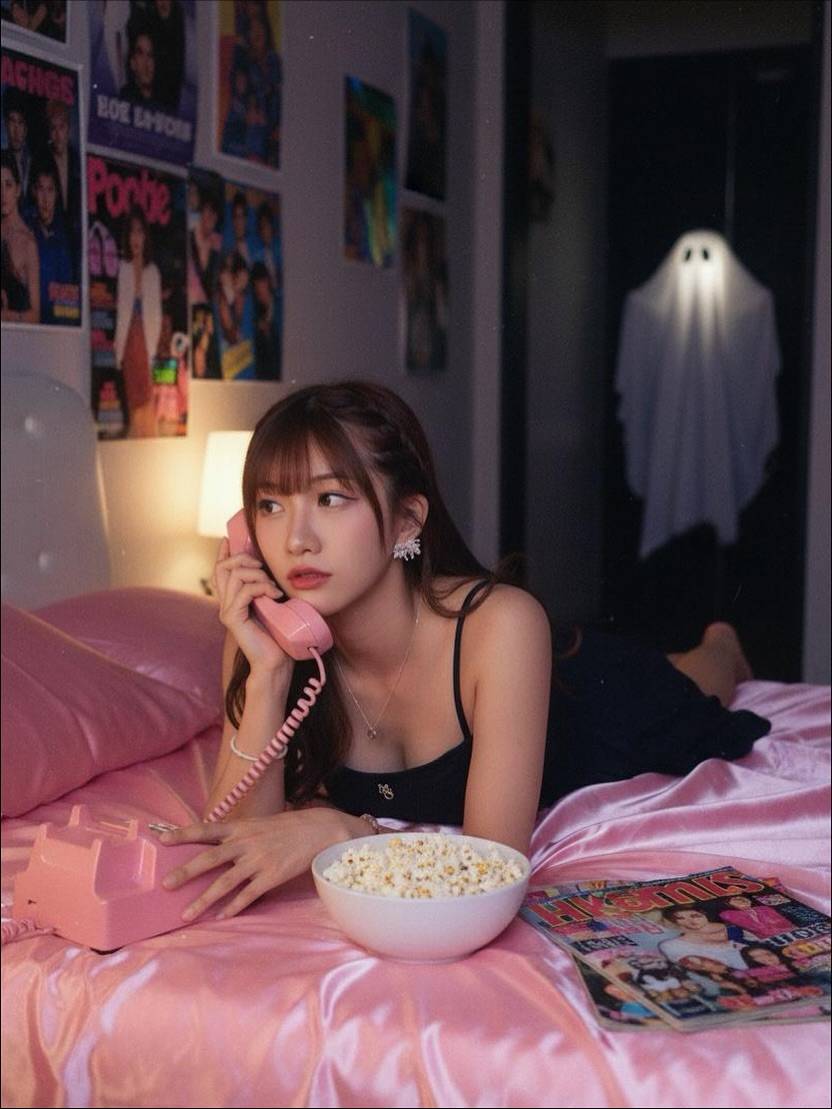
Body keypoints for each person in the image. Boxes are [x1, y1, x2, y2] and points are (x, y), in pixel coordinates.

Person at [157, 381, 771, 924]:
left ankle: (721, 644)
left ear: (406, 522)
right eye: (270, 506)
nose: (296, 539)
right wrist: (267, 674)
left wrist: (346, 831)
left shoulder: (501, 625)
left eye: (331, 498)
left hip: (590, 704)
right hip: (492, 671)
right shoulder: (263, 641)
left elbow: (493, 864)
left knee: (695, 687)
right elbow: (236, 846)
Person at [113, 206, 161, 437]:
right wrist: (118, 351)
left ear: (146, 236)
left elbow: (156, 315)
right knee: (133, 397)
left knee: (147, 397)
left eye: (140, 231)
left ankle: (147, 437)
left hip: (146, 341)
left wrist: (152, 352)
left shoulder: (153, 272)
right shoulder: (123, 269)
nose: (135, 238)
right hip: (129, 340)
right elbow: (122, 311)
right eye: (132, 232)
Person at [27, 159, 74, 325]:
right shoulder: (25, 230)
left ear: (57, 194)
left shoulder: (66, 237)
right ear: (33, 192)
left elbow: (68, 300)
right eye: (41, 189)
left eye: (50, 190)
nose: (45, 199)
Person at [1, 150, 39, 323]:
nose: (2, 193)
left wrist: (8, 316)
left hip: (15, 335)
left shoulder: (27, 243)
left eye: (8, 185)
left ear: (17, 190)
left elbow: (35, 315)